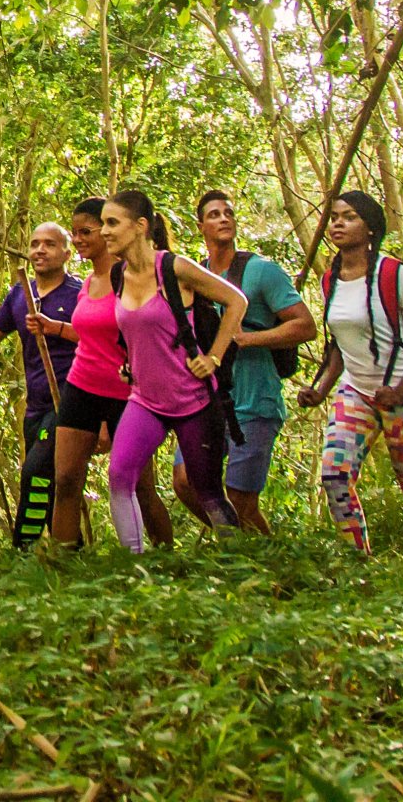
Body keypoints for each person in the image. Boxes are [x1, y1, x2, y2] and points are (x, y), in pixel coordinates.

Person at [295, 190, 403, 555]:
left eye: (349, 217)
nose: (338, 224)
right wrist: (321, 389)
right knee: (335, 477)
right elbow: (341, 345)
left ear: (370, 228)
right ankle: (358, 567)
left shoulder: (395, 275)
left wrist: (399, 391)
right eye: (334, 217)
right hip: (357, 392)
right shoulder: (330, 280)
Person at [97, 189, 252, 553]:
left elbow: (236, 301)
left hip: (194, 401)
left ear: (140, 226)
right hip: (145, 401)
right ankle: (134, 564)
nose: (104, 231)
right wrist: (130, 363)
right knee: (119, 476)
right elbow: (137, 330)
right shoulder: (118, 274)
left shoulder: (174, 268)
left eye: (112, 223)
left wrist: (213, 357)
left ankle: (241, 561)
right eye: (103, 223)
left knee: (207, 490)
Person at [171, 190, 316, 533]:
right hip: (206, 401)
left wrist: (246, 339)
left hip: (255, 400)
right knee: (186, 481)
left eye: (228, 213)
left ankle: (266, 556)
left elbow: (305, 326)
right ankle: (233, 545)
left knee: (241, 498)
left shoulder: (262, 272)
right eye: (214, 214)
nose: (223, 218)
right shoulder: (194, 276)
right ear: (200, 226)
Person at [46, 198, 172, 549]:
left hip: (127, 394)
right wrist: (55, 327)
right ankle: (61, 563)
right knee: (66, 480)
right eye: (74, 233)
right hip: (81, 387)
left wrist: (106, 421)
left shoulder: (132, 279)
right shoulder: (88, 282)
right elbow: (90, 334)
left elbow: (142, 337)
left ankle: (165, 558)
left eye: (86, 231)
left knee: (140, 487)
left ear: (106, 231)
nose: (78, 239)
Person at [0, 222, 79, 546]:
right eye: (35, 244)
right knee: (50, 483)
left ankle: (23, 549)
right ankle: (71, 552)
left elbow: (101, 340)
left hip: (68, 400)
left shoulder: (79, 294)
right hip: (36, 405)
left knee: (35, 471)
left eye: (49, 244)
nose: (40, 250)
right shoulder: (21, 294)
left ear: (67, 253)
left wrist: (56, 328)